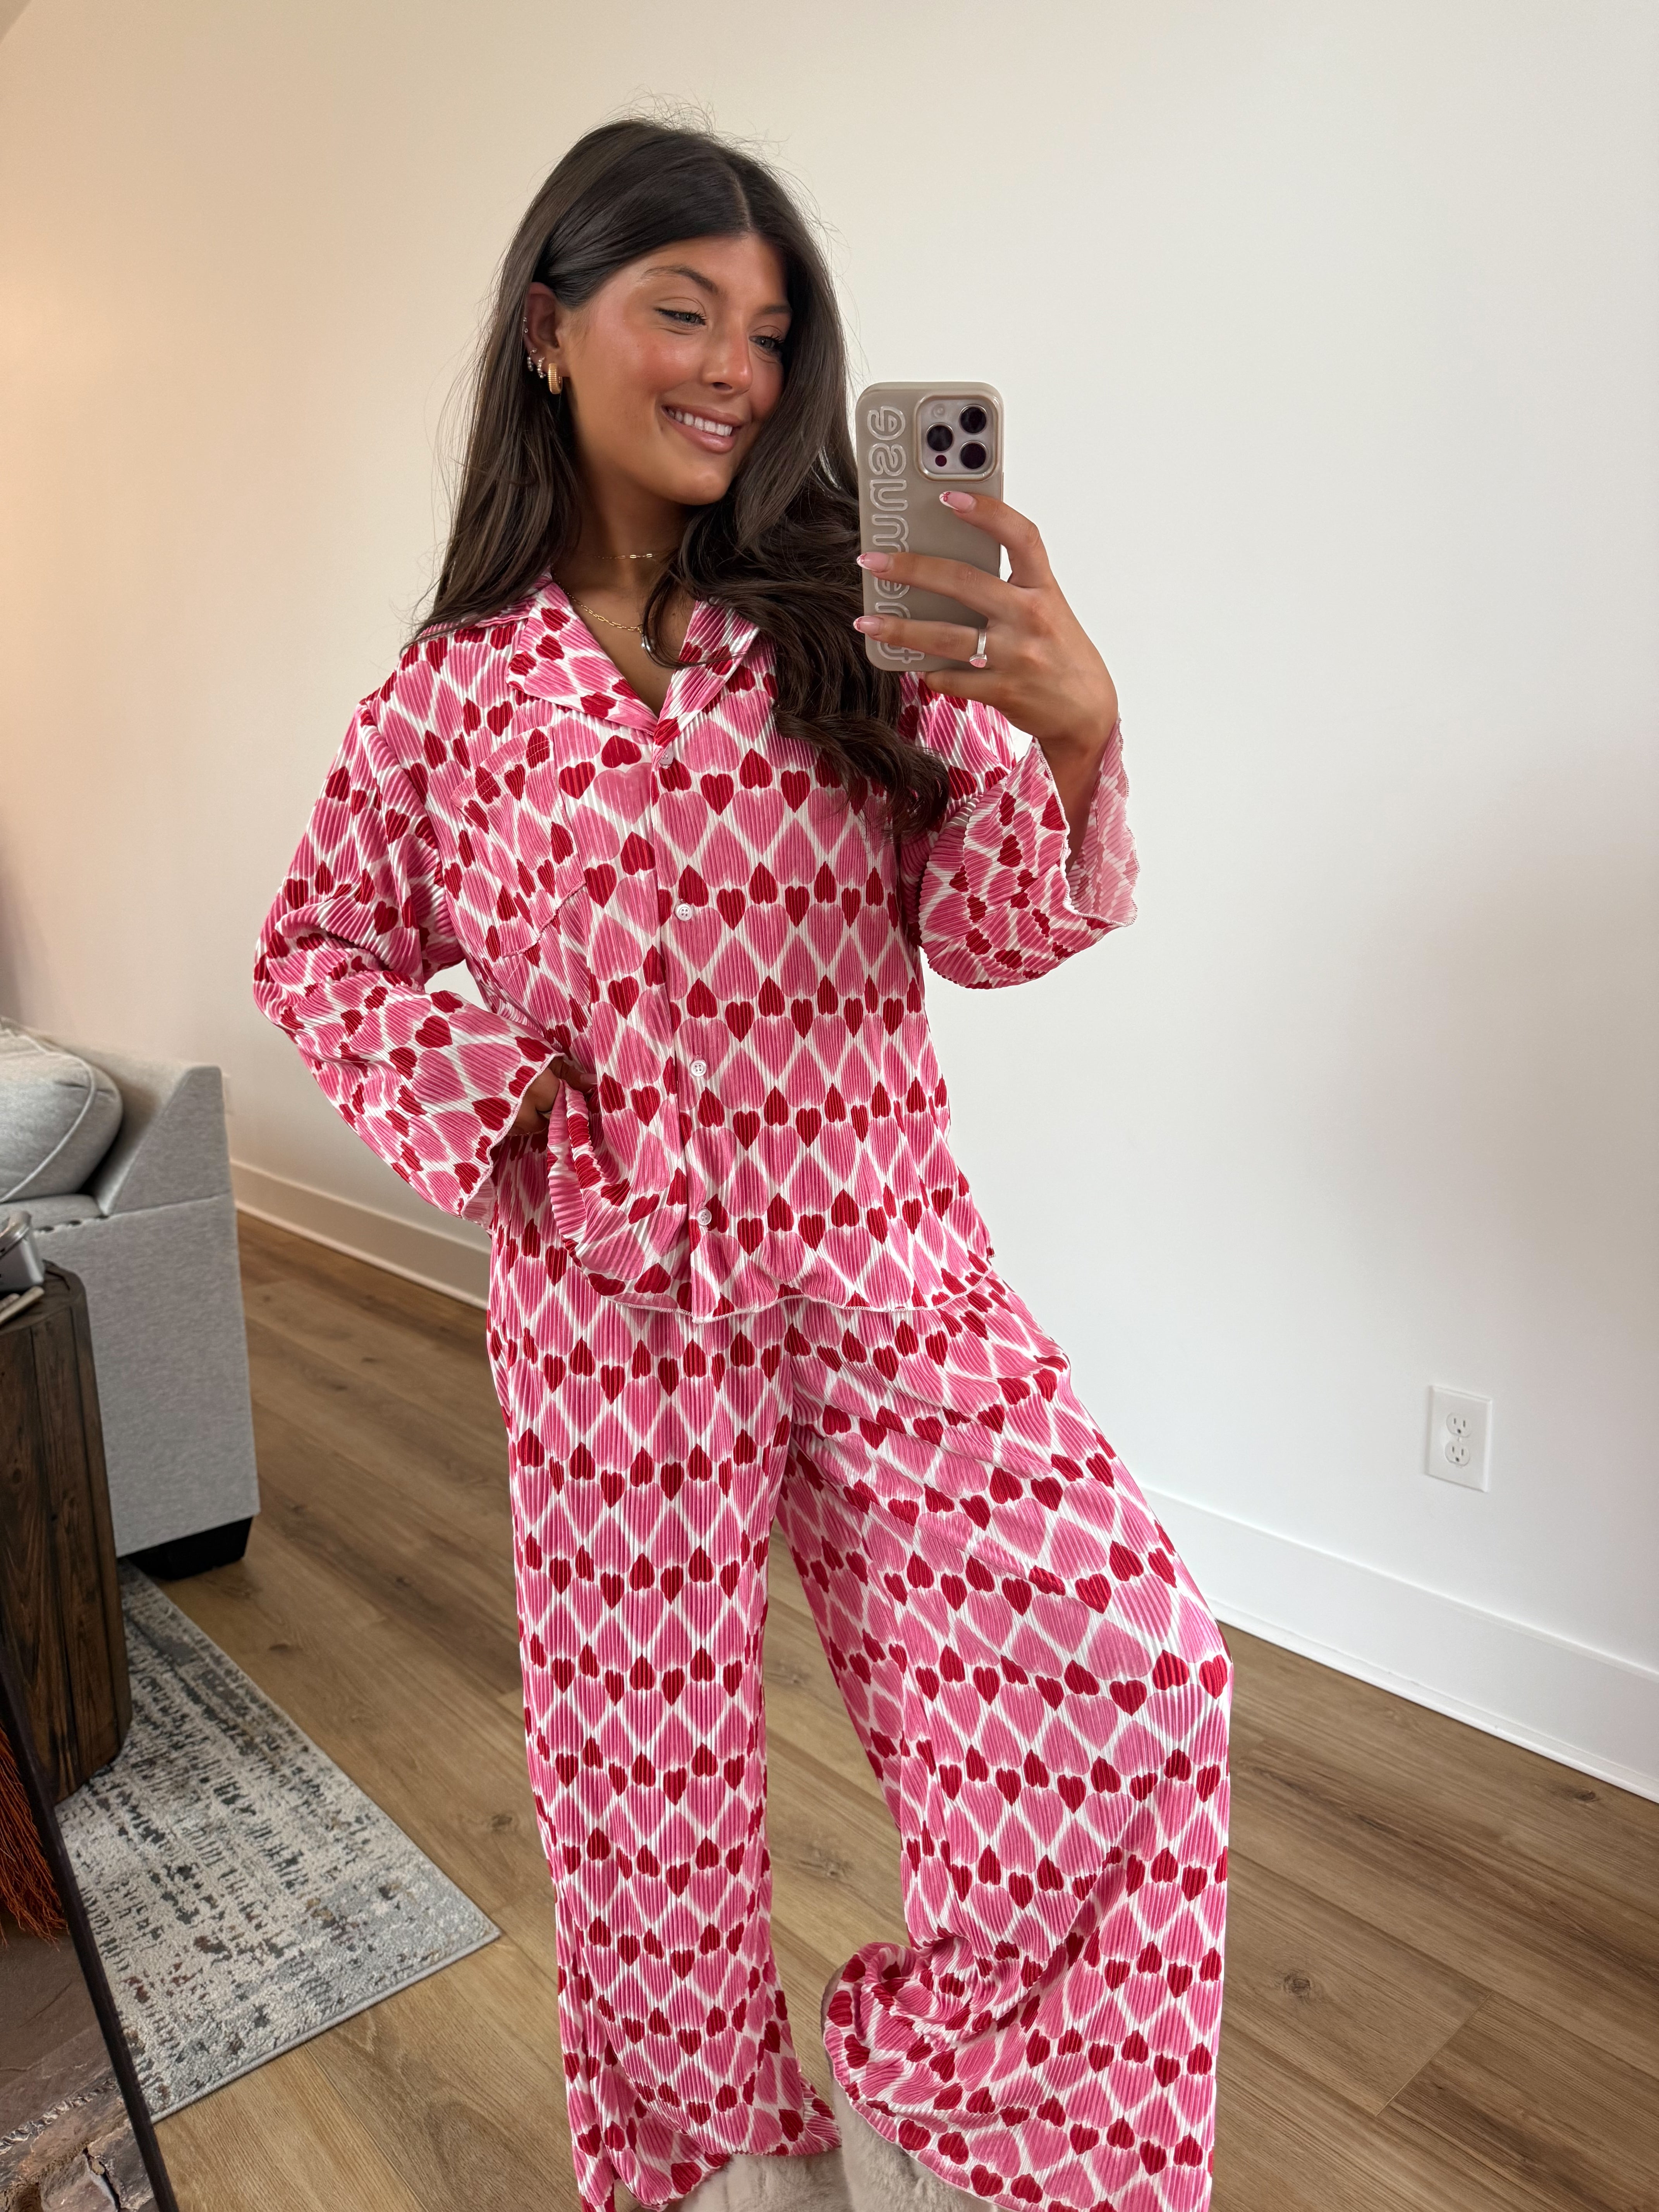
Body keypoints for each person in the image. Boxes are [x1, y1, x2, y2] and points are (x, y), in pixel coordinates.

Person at [254, 118, 1231, 2212]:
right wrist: (490, 1082)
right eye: (683, 310)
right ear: (549, 329)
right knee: (648, 1817)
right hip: (610, 1310)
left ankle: (966, 2138)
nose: (735, 370)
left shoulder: (849, 617)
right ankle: (724, 2178)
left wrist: (1071, 731)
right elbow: (316, 948)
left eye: (772, 332)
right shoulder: (449, 699)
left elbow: (992, 930)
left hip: (887, 1263)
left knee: (1133, 1677)